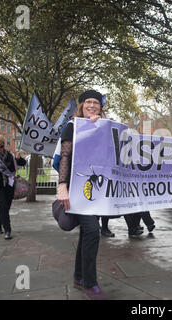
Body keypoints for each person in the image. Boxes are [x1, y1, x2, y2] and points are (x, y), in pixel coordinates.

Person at [57, 89, 107, 300]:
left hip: (94, 189)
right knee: (92, 232)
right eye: (88, 102)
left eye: (96, 103)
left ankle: (79, 276)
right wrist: (61, 185)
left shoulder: (102, 127)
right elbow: (65, 156)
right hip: (75, 188)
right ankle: (90, 283)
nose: (92, 105)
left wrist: (98, 127)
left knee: (86, 233)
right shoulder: (72, 126)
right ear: (81, 105)